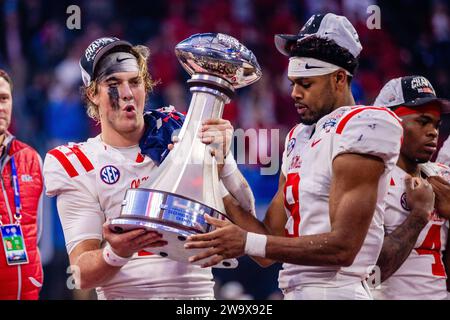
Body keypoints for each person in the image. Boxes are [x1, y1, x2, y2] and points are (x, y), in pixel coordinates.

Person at [185, 13, 403, 300]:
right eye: (293, 83)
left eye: (306, 84)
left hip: (339, 292)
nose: (295, 94)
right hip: (295, 291)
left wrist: (247, 241)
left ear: (339, 79)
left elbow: (344, 247)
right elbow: (266, 243)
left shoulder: (366, 124)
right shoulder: (298, 137)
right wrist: (214, 168)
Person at [43, 37, 254, 299]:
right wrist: (117, 252)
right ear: (92, 94)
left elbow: (253, 235)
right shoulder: (79, 162)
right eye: (113, 83)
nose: (127, 93)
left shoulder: (179, 134)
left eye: (134, 82)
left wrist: (225, 164)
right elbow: (79, 274)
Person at [371, 75, 450, 299]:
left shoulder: (443, 177)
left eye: (436, 124)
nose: (433, 131)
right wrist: (418, 215)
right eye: (423, 121)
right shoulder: (370, 178)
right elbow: (368, 278)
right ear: (390, 122)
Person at [0, 69, 44, 300]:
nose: (0, 106)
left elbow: (38, 232)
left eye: (4, 98)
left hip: (26, 290)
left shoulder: (30, 158)